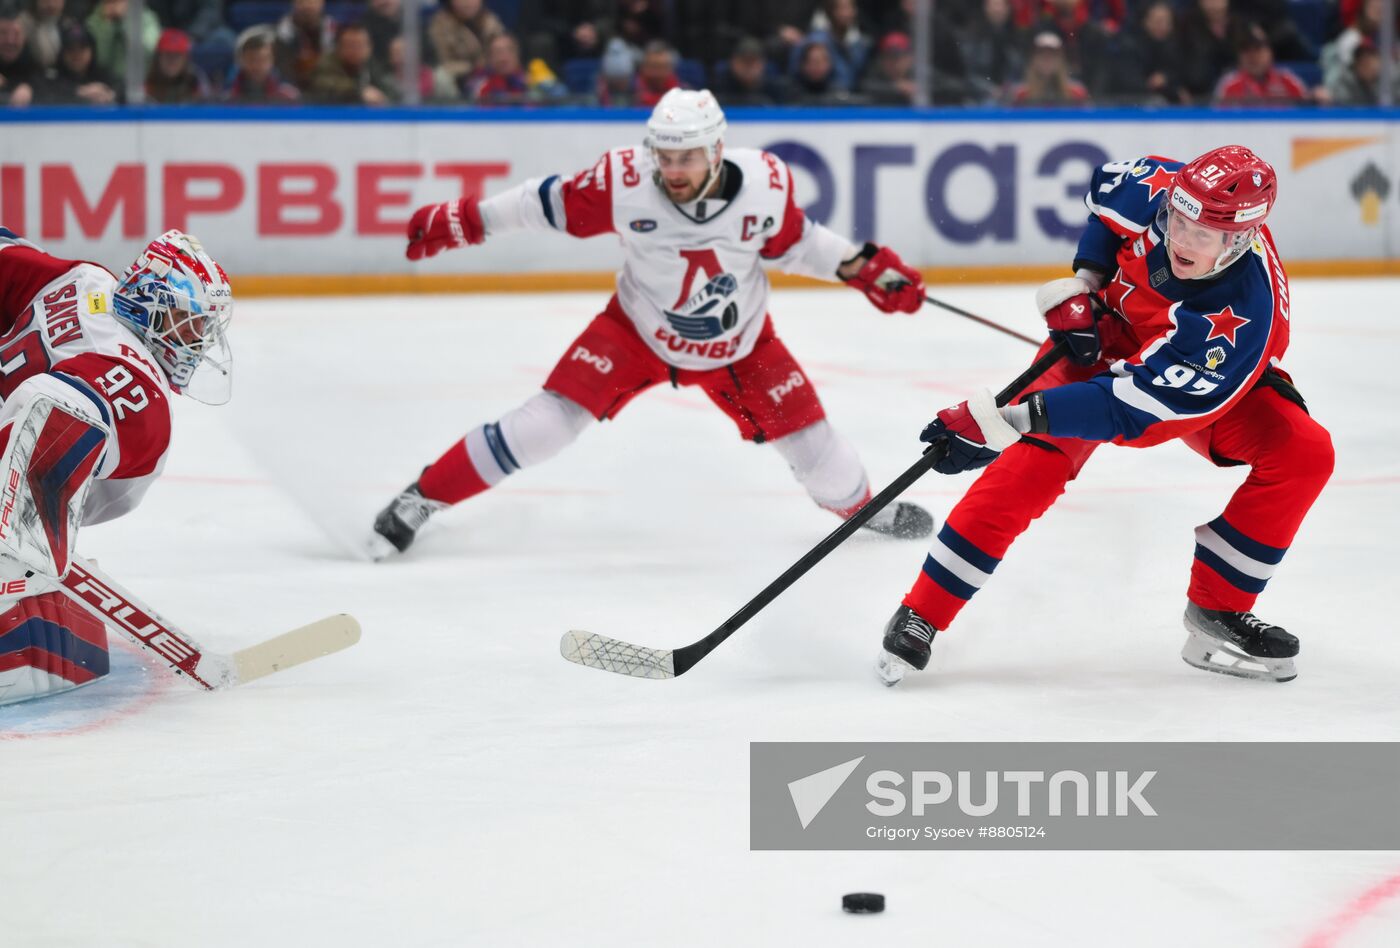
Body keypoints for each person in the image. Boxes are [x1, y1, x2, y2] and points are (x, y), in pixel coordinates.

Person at [371, 90, 935, 558]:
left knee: (820, 456)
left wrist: (868, 270)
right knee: (544, 426)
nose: (672, 170)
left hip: (740, 347)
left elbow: (799, 243)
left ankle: (864, 511)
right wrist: (470, 220)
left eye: (686, 157)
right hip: (636, 332)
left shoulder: (764, 185)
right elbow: (542, 202)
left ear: (717, 150)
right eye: (663, 156)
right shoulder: (623, 182)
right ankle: (421, 497)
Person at [878, 146, 1333, 687]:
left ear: (1237, 243)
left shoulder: (1240, 314)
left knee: (1302, 451)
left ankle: (1219, 609)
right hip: (1105, 339)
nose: (1180, 240)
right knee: (1030, 469)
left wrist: (1010, 420)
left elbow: (1128, 408)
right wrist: (1089, 282)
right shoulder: (1161, 187)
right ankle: (922, 612)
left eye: (1201, 235)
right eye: (1176, 220)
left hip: (1194, 378)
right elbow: (1105, 199)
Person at [0, 227, 233, 706]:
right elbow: (53, 410)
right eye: (190, 326)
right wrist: (20, 526)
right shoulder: (140, 384)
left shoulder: (84, 281)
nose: (196, 345)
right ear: (154, 304)